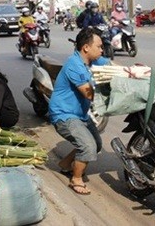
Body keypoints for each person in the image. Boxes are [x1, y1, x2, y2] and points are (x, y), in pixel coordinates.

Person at [49, 27, 110, 195]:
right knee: (88, 146)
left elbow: (111, 66)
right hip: (64, 115)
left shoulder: (92, 61)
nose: (102, 50)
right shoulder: (74, 65)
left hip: (80, 115)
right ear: (86, 48)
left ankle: (65, 164)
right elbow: (89, 94)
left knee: (96, 144)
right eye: (99, 46)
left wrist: (134, 71)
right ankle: (76, 179)